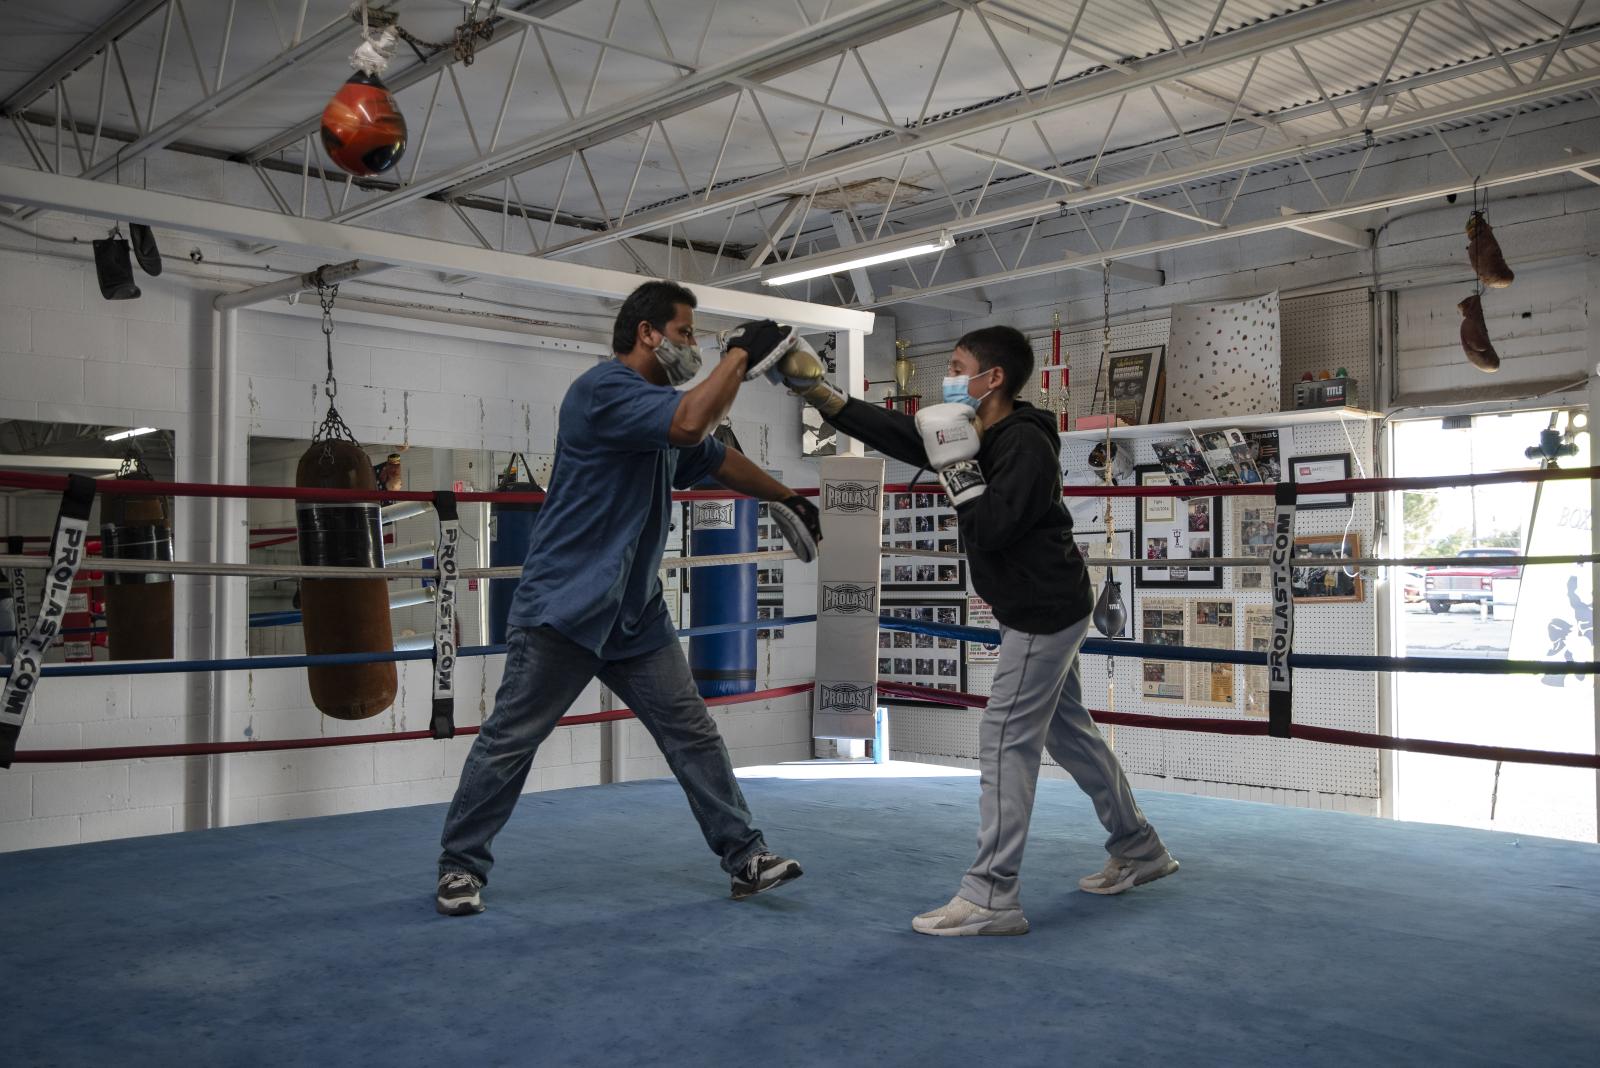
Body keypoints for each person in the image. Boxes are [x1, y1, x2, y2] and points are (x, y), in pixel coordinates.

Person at [769, 325, 1177, 937]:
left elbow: (990, 527)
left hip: (1043, 610)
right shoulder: (981, 432)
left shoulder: (1024, 446)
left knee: (1005, 738)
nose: (949, 377)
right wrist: (826, 396)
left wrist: (958, 470)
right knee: (1067, 734)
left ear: (993, 380)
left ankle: (992, 895)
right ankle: (1140, 847)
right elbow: (910, 437)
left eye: (959, 366)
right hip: (1043, 605)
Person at [436, 280, 823, 916]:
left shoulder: (659, 416)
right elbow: (693, 420)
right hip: (565, 607)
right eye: (684, 333)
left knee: (692, 733)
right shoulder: (605, 392)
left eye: (696, 337)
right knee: (510, 741)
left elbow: (715, 455)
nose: (691, 346)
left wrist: (785, 496)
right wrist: (738, 356)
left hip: (634, 614)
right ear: (647, 333)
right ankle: (458, 867)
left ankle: (745, 856)